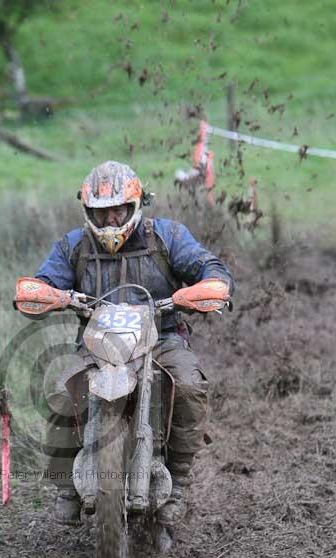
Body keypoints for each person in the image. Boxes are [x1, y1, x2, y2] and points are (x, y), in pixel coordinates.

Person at [26, 160, 234, 526]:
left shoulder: (166, 237)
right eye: (101, 212)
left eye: (117, 211)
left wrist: (207, 287)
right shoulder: (75, 246)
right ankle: (66, 487)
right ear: (88, 210)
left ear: (135, 205)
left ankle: (179, 483)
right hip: (97, 344)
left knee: (188, 386)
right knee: (61, 392)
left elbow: (209, 267)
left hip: (161, 337)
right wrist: (46, 294)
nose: (109, 220)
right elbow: (44, 281)